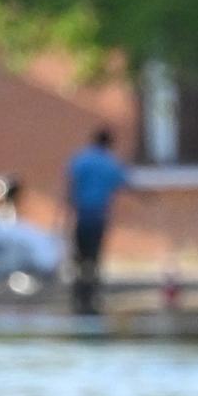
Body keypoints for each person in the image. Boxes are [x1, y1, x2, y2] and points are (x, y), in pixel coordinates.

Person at [65, 128, 129, 315]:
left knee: (80, 255)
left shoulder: (81, 160)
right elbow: (124, 182)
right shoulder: (110, 163)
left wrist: (66, 214)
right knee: (94, 256)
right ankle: (92, 292)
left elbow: (70, 186)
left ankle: (79, 293)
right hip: (99, 217)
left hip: (82, 216)